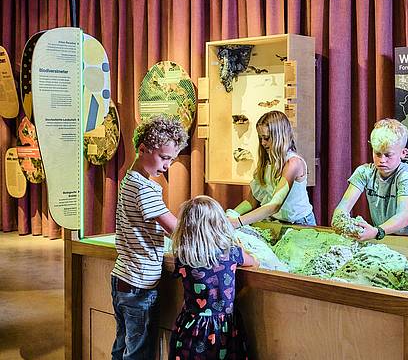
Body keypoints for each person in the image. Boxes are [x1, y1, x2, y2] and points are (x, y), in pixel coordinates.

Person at [110, 115, 188, 360]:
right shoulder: (144, 189)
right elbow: (175, 228)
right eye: (164, 158)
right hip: (139, 284)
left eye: (171, 159)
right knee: (138, 353)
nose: (167, 166)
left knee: (122, 345)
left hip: (123, 278)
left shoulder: (130, 180)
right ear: (143, 148)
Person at [168, 195, 258, 359]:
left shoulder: (183, 256)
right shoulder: (231, 252)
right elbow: (254, 262)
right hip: (224, 329)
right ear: (219, 224)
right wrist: (240, 246)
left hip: (191, 326)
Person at [332, 118, 408, 240]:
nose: (382, 160)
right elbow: (343, 207)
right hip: (383, 237)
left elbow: (404, 217)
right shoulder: (364, 172)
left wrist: (377, 231)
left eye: (388, 155)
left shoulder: (406, 176)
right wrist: (339, 219)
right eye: (377, 154)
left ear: (403, 153)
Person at [229, 110, 316, 228]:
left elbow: (275, 205)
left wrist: (237, 222)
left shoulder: (293, 163)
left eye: (266, 138)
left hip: (299, 224)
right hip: (275, 222)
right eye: (260, 138)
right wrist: (231, 214)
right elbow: (252, 201)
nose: (263, 143)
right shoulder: (266, 162)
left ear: (280, 136)